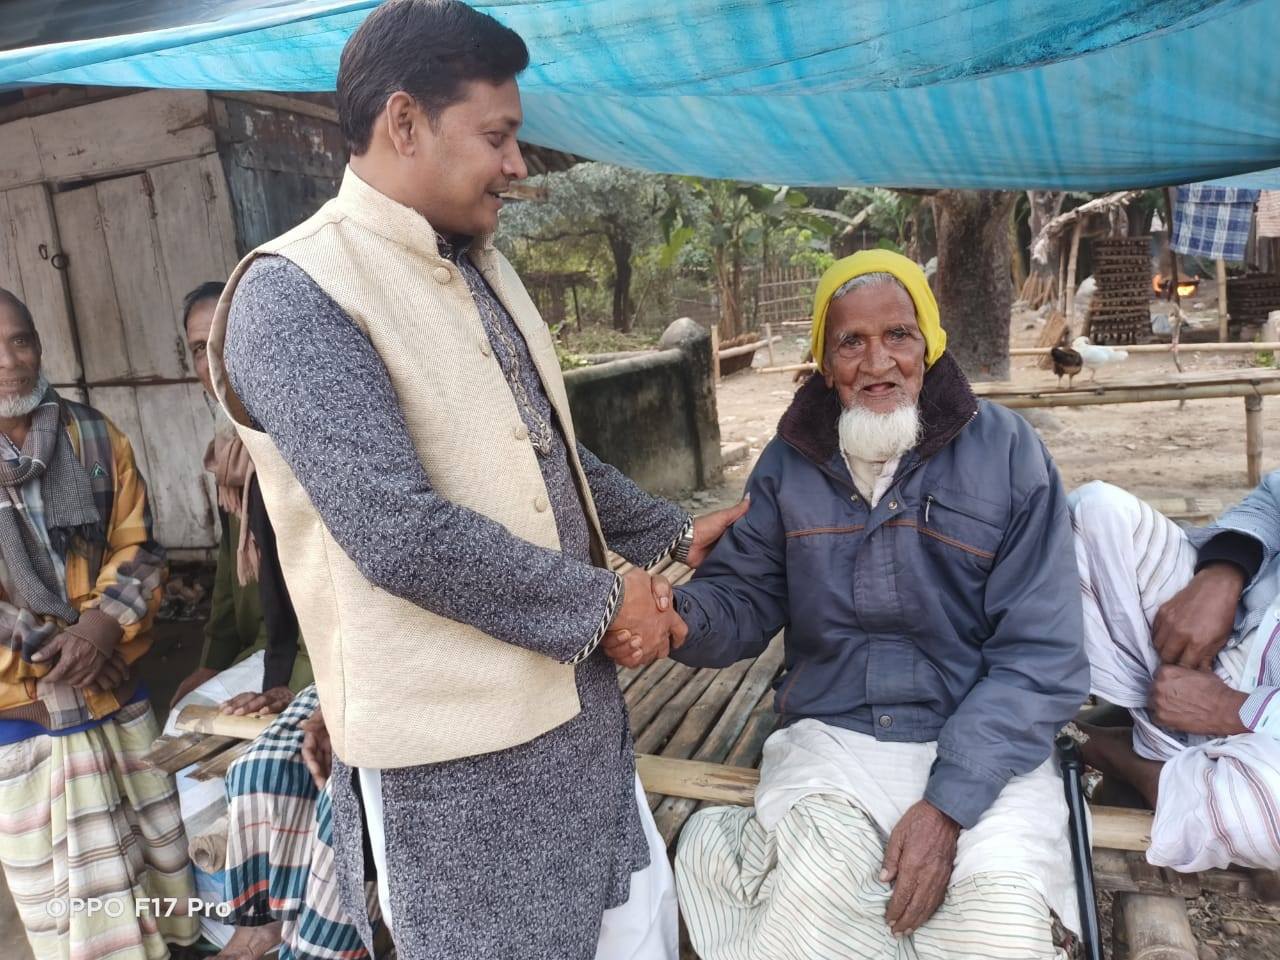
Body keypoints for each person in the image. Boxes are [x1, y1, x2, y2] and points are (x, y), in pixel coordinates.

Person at [205, 2, 743, 957]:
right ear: (405, 122)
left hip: (582, 724)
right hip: (460, 776)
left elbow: (546, 453)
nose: (518, 165)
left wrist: (667, 535)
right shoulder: (295, 292)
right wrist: (608, 600)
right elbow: (398, 533)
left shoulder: (478, 266)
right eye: (497, 136)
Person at [650, 251, 1090, 959]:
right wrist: (678, 618)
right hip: (836, 739)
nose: (877, 361)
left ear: (929, 345)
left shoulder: (1009, 454)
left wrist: (947, 807)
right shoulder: (790, 462)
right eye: (851, 341)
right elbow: (742, 596)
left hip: (982, 740)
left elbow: (1043, 655)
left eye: (898, 336)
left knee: (999, 936)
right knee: (816, 921)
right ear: (825, 363)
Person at [0, 287, 197, 958]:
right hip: (22, 716)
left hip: (116, 689)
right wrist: (60, 651)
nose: (9, 361)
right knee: (66, 910)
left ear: (40, 346)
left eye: (20, 341)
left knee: (158, 874)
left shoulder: (94, 434)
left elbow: (140, 547)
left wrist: (102, 630)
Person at [1069, 475, 1280, 871]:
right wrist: (1224, 573)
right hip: (1240, 623)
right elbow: (1273, 500)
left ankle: (1116, 753)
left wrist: (1234, 710)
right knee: (1096, 512)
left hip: (1268, 742)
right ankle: (1160, 730)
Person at [171, 281, 310, 716]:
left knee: (256, 767)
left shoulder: (308, 444)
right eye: (199, 348)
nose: (214, 360)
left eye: (226, 339)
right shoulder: (229, 458)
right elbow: (230, 589)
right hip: (268, 650)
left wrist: (293, 688)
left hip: (320, 658)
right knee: (186, 717)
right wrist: (210, 664)